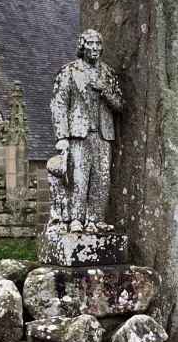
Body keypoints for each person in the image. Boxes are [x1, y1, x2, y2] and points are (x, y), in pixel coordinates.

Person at [49, 29, 123, 233]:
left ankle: (95, 220)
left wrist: (104, 90)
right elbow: (59, 104)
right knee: (79, 177)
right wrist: (62, 137)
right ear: (82, 47)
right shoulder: (69, 71)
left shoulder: (108, 74)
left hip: (103, 134)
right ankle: (76, 219)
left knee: (102, 178)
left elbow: (119, 104)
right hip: (78, 134)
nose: (95, 48)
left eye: (98, 44)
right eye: (90, 44)